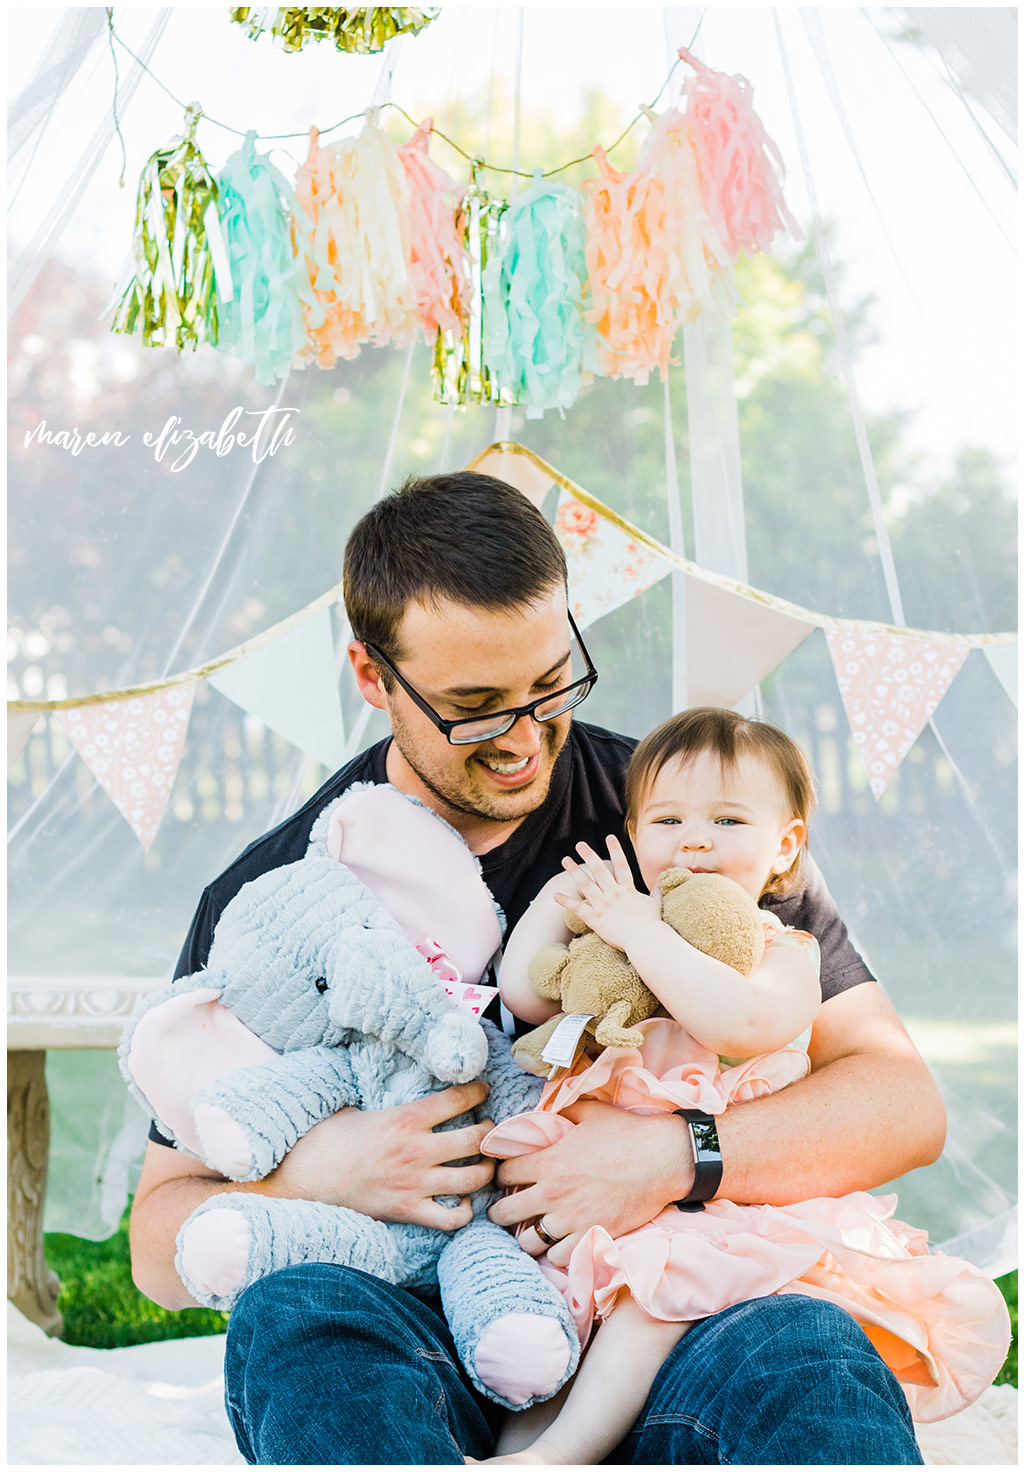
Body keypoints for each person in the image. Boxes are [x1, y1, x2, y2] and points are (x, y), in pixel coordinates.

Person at [129, 471, 944, 1465]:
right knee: (295, 1317)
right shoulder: (278, 893)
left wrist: (675, 1152)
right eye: (475, 707)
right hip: (414, 1317)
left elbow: (901, 1102)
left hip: (675, 1314)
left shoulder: (684, 816)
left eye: (551, 682)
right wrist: (322, 1170)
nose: (524, 737)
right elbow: (155, 1238)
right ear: (371, 674)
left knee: (809, 1350)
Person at [472, 707, 1008, 1465]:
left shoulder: (776, 947)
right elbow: (526, 994)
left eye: (727, 819)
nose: (694, 839)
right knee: (563, 1317)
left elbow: (738, 1025)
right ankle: (517, 1449)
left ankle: (559, 1456)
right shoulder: (619, 931)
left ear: (785, 846)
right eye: (666, 820)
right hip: (594, 1194)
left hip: (708, 1207)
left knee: (649, 1305)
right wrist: (564, 907)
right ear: (634, 836)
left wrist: (638, 931)